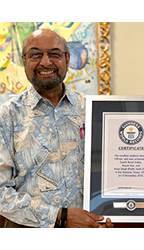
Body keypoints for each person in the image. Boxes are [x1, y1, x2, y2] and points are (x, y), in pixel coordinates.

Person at [0, 29, 112, 228]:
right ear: (24, 60)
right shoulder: (6, 116)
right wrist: (59, 217)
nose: (45, 62)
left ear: (67, 58)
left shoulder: (92, 110)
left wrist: (108, 215)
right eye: (35, 54)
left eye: (54, 54)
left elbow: (111, 170)